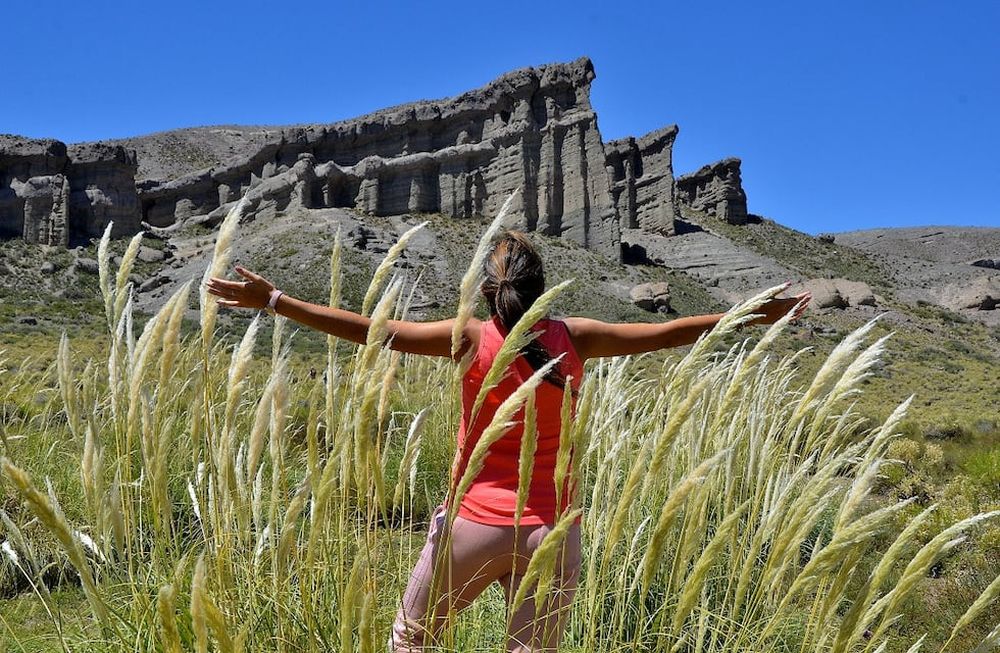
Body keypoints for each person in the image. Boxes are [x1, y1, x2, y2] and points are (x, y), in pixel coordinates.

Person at [206, 230, 810, 652]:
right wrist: (751, 313)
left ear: (489, 293)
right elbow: (667, 333)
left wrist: (276, 302)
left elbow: (375, 332)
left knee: (410, 640)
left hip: (470, 526)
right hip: (552, 531)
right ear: (540, 288)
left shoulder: (467, 337)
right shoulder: (576, 337)